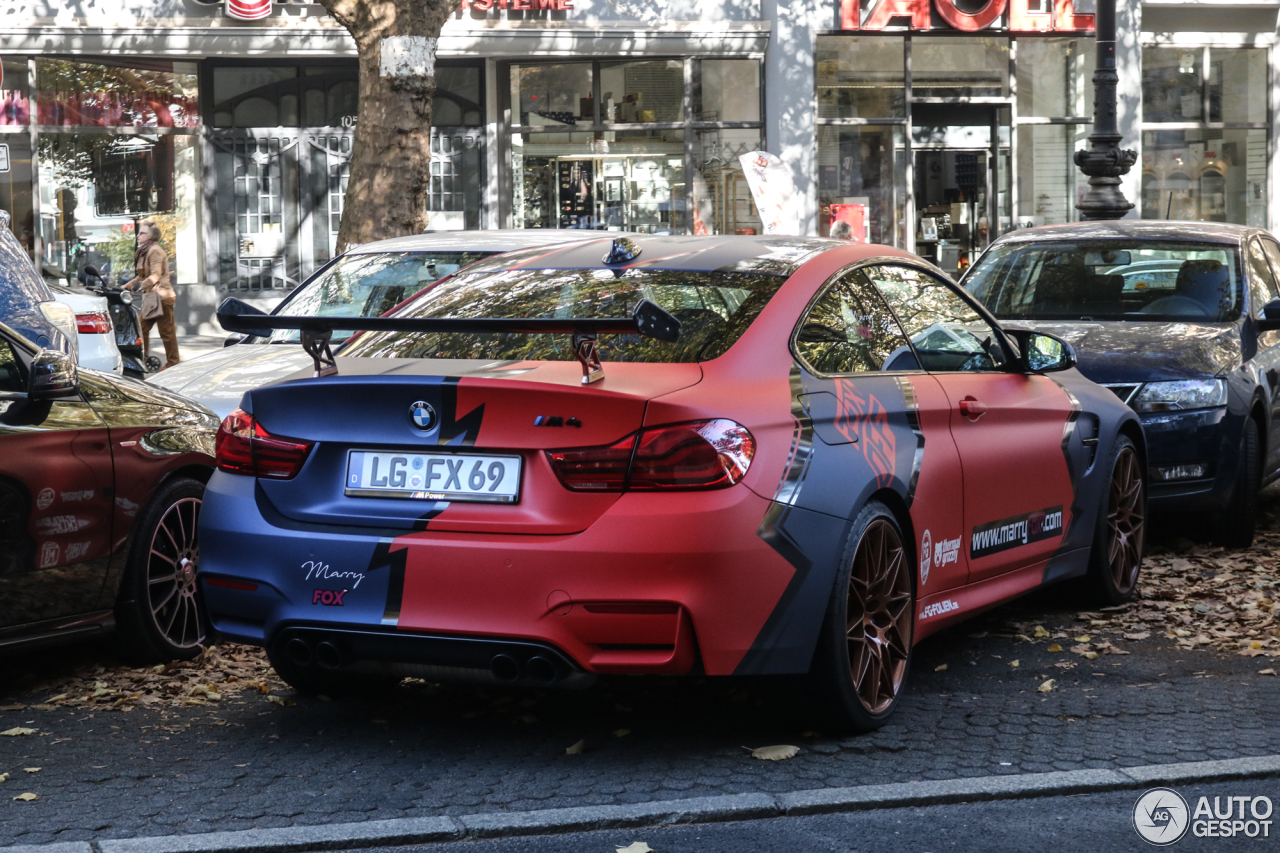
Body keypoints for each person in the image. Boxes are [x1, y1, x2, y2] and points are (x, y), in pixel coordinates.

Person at [125, 219, 180, 369]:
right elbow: (144, 275)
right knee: (141, 329)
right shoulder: (145, 251)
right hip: (153, 297)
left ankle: (173, 362)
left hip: (162, 297)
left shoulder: (155, 250)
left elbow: (155, 275)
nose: (138, 235)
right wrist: (129, 284)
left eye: (142, 233)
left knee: (166, 332)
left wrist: (139, 286)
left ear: (150, 237)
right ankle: (143, 358)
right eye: (139, 233)